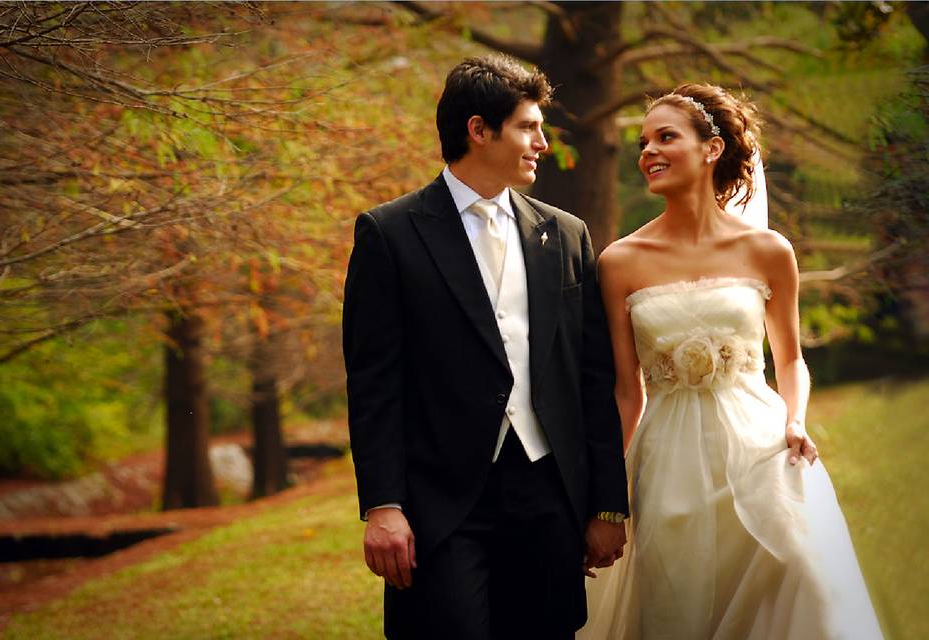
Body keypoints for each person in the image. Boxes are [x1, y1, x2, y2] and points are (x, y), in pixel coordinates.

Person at [578, 84, 883, 639]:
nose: (648, 151)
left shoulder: (768, 250)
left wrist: (795, 420)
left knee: (804, 576)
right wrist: (604, 492)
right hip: (668, 459)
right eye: (643, 142)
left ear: (712, 149)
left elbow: (789, 360)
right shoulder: (619, 261)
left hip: (761, 446)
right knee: (681, 606)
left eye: (666, 137)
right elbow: (627, 390)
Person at [342, 55, 629, 639]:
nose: (542, 143)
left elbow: (592, 379)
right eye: (528, 127)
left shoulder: (566, 234)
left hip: (549, 493)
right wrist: (383, 505)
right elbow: (374, 384)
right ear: (478, 130)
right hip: (440, 502)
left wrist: (606, 504)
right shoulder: (389, 233)